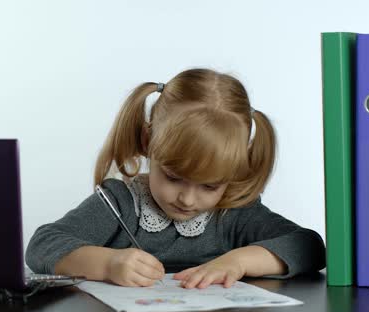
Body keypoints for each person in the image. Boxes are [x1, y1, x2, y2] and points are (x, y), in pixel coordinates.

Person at [25, 68, 325, 289]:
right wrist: (107, 264)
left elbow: (309, 247)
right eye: (173, 177)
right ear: (147, 142)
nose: (187, 199)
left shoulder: (234, 213)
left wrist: (238, 261)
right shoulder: (120, 204)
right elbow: (42, 245)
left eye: (210, 185)